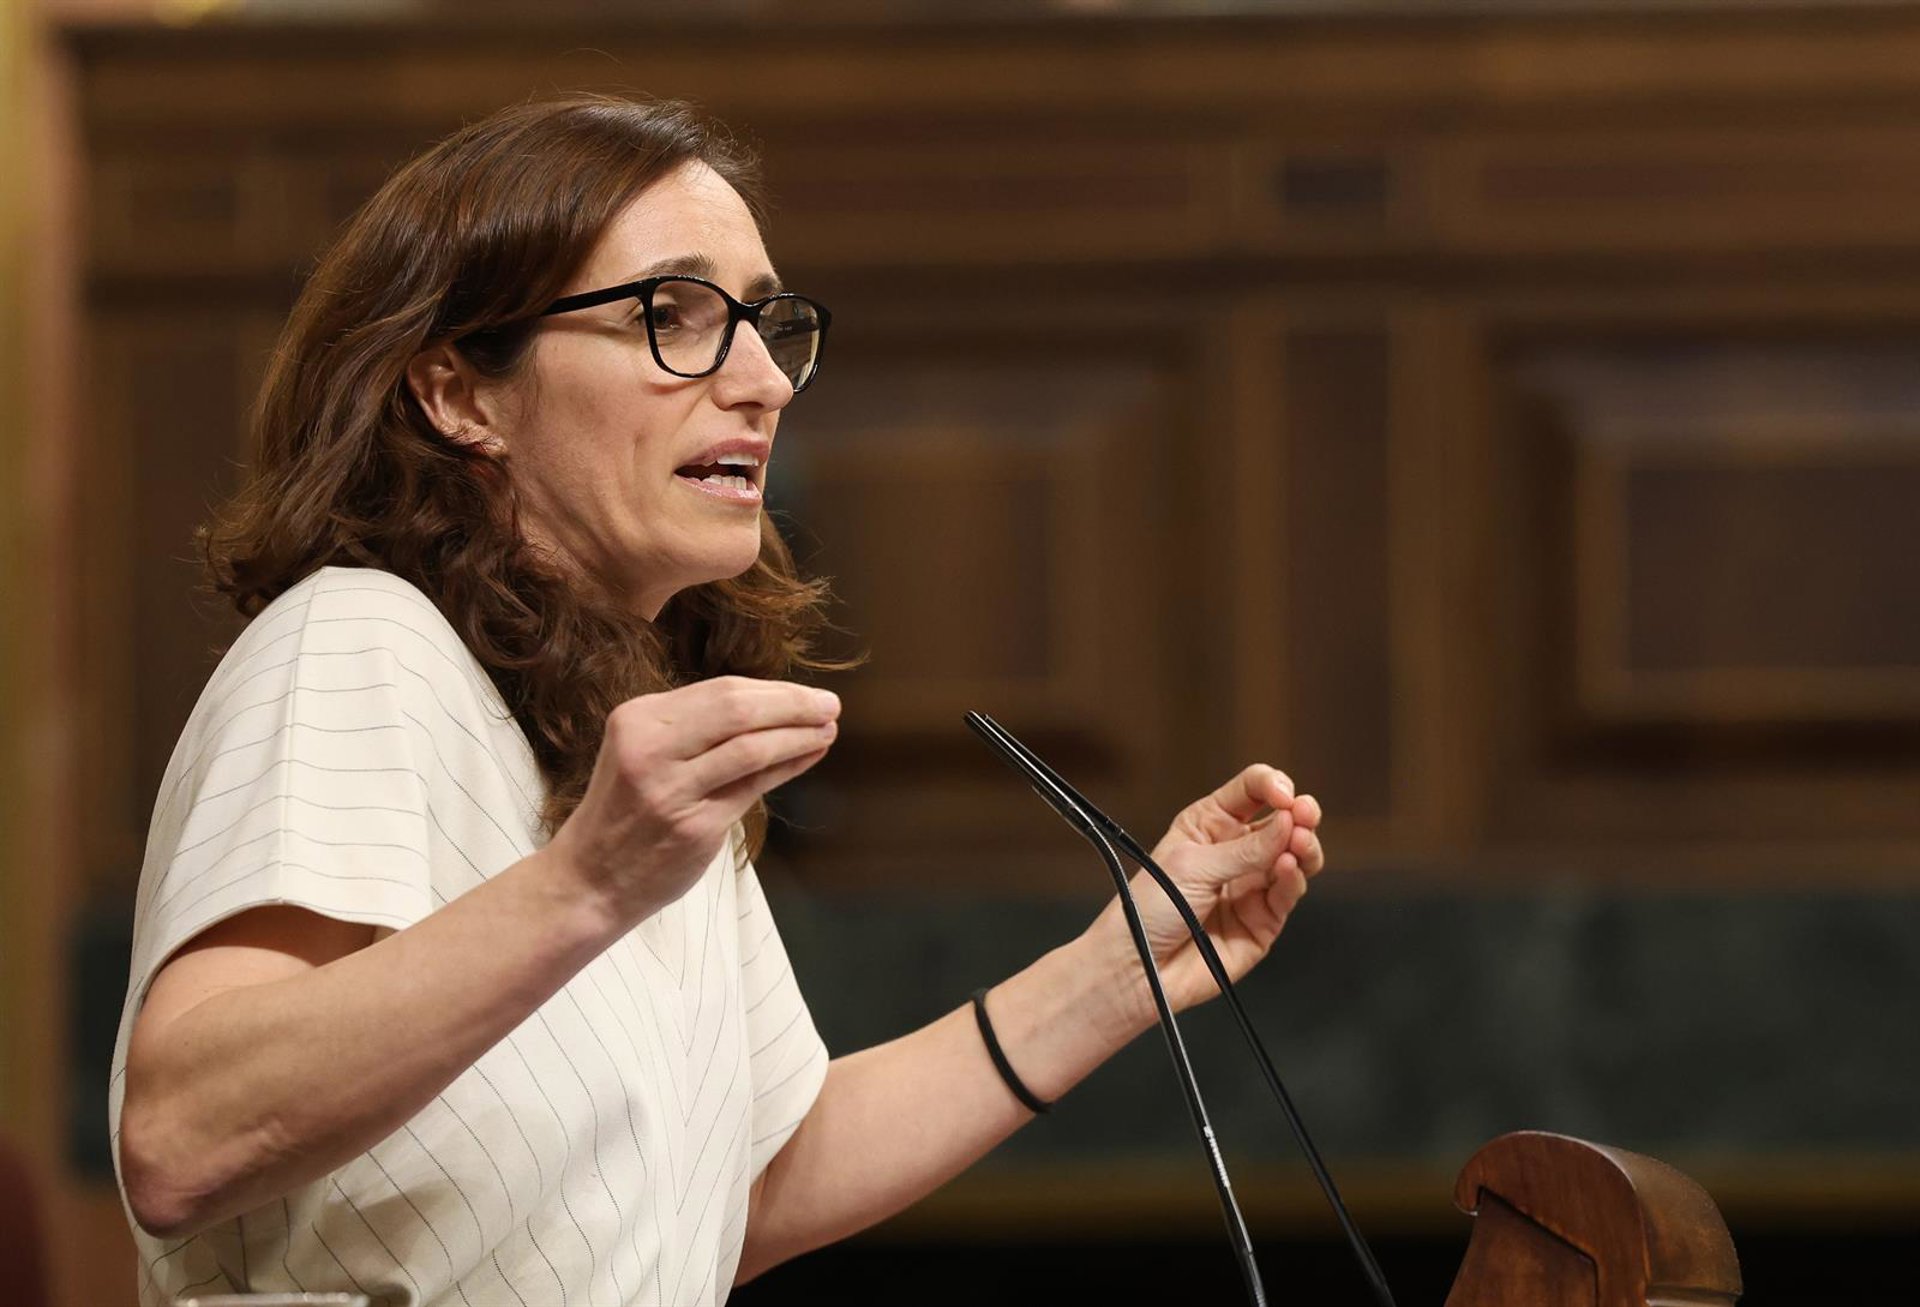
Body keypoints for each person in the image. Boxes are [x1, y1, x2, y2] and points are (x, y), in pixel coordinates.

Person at [109, 95, 1327, 1307]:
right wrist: (590, 881)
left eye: (764, 322)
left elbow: (749, 1182)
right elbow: (179, 1137)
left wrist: (1116, 971)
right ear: (459, 394)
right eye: (671, 316)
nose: (762, 380)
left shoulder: (610, 715)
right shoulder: (358, 640)